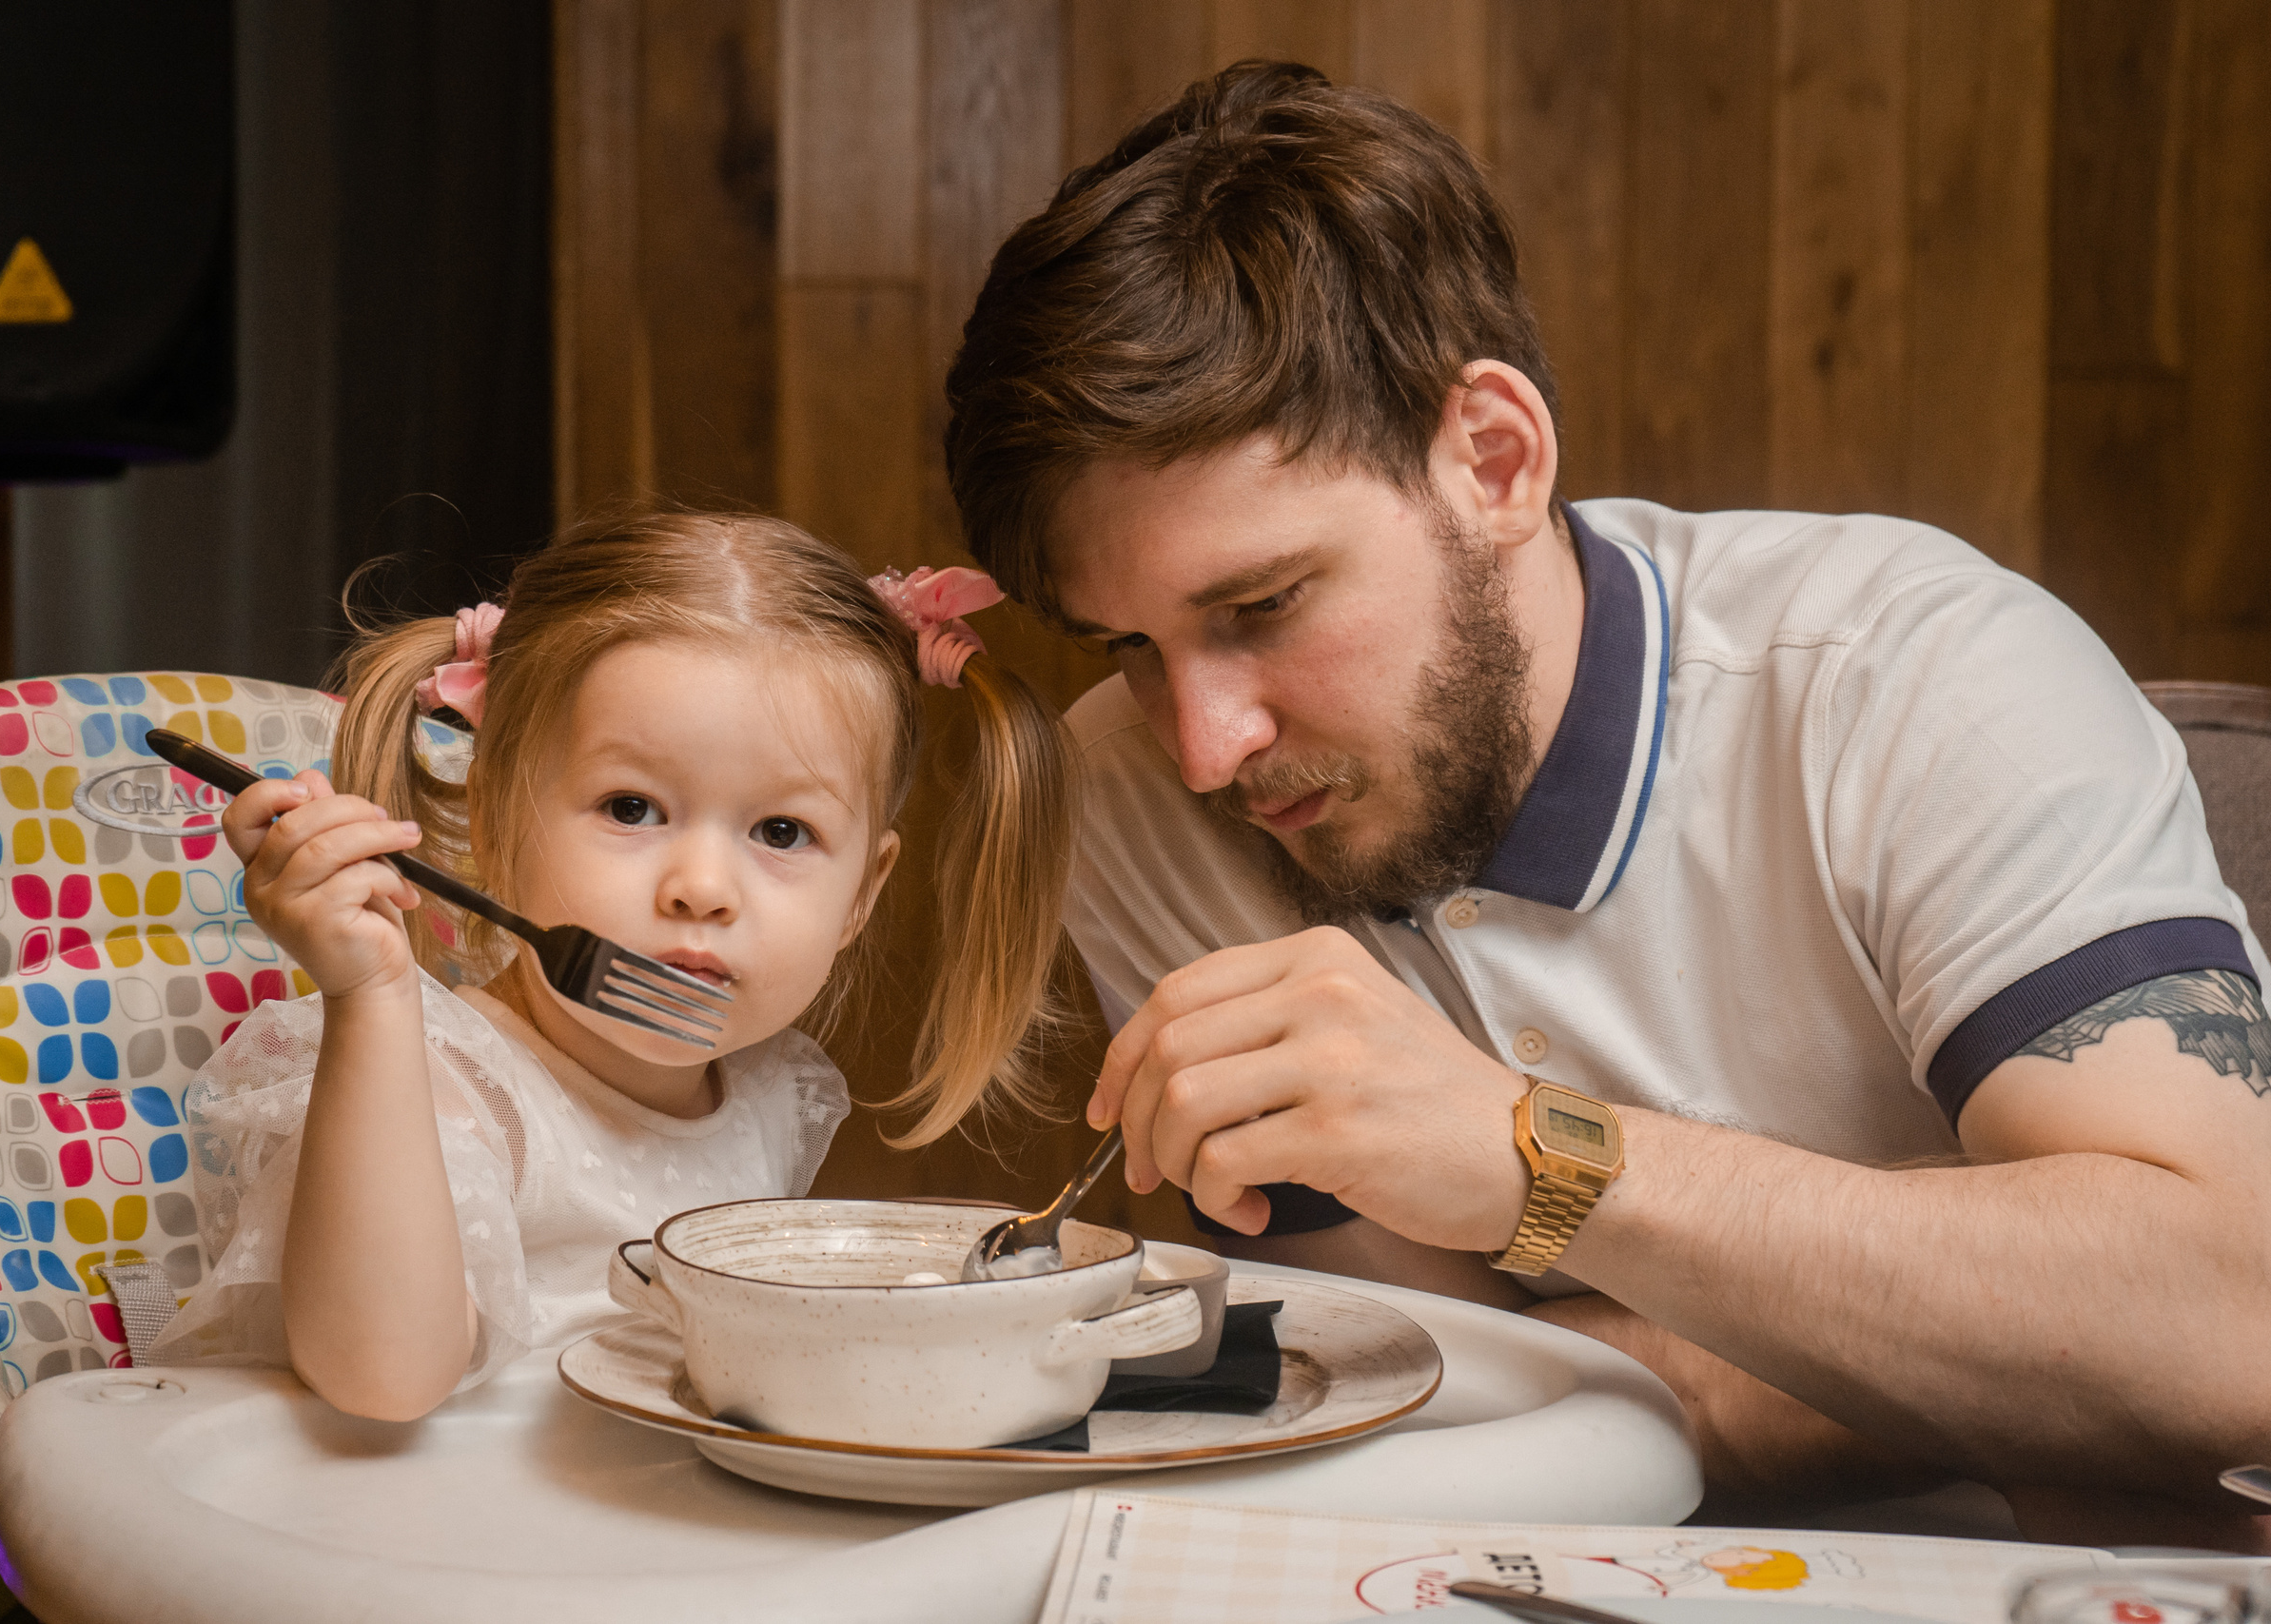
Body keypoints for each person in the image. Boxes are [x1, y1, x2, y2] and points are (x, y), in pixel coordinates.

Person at [943, 62, 2271, 1544]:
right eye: (1130, 643)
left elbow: (2231, 1331)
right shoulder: (1126, 792)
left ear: (1492, 459)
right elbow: (1422, 1387)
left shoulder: (1918, 677)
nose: (1203, 744)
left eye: (1263, 602)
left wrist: (1533, 1157)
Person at [152, 511, 1077, 1420]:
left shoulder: (774, 1094)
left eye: (781, 832)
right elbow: (383, 1379)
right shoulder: (428, 1079)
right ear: (493, 826)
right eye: (631, 809)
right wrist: (370, 1000)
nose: (703, 887)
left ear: (861, 899)